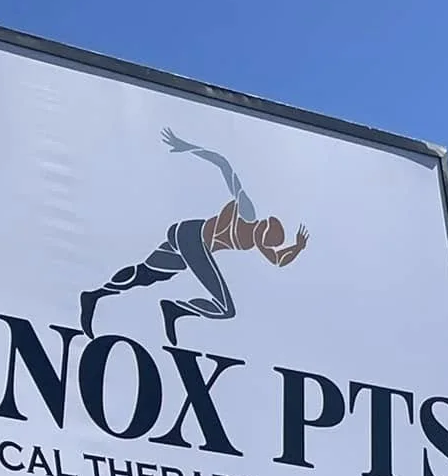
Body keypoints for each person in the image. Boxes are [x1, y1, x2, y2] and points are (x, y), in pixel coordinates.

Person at [78, 128, 309, 344]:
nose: (262, 242)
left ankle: (94, 295)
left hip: (184, 236)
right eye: (265, 236)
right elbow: (224, 165)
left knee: (146, 274)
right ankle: (175, 309)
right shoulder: (248, 212)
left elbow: (278, 260)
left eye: (266, 242)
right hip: (193, 239)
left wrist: (297, 248)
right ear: (263, 225)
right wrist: (186, 146)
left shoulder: (259, 242)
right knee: (226, 308)